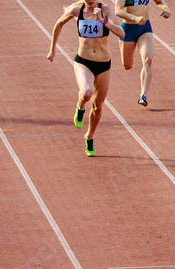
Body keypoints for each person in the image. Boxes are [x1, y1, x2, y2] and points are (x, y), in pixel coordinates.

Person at [48, 1, 126, 157]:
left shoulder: (106, 10)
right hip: (83, 61)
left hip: (104, 64)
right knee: (87, 91)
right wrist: (52, 49)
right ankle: (80, 106)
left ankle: (89, 137)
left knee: (98, 107)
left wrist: (102, 20)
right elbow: (59, 23)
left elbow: (122, 33)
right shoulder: (77, 11)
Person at [115, 0, 170, 107]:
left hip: (144, 28)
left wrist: (165, 8)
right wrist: (134, 18)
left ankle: (143, 95)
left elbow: (159, 1)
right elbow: (118, 10)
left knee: (148, 59)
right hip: (128, 29)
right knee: (127, 65)